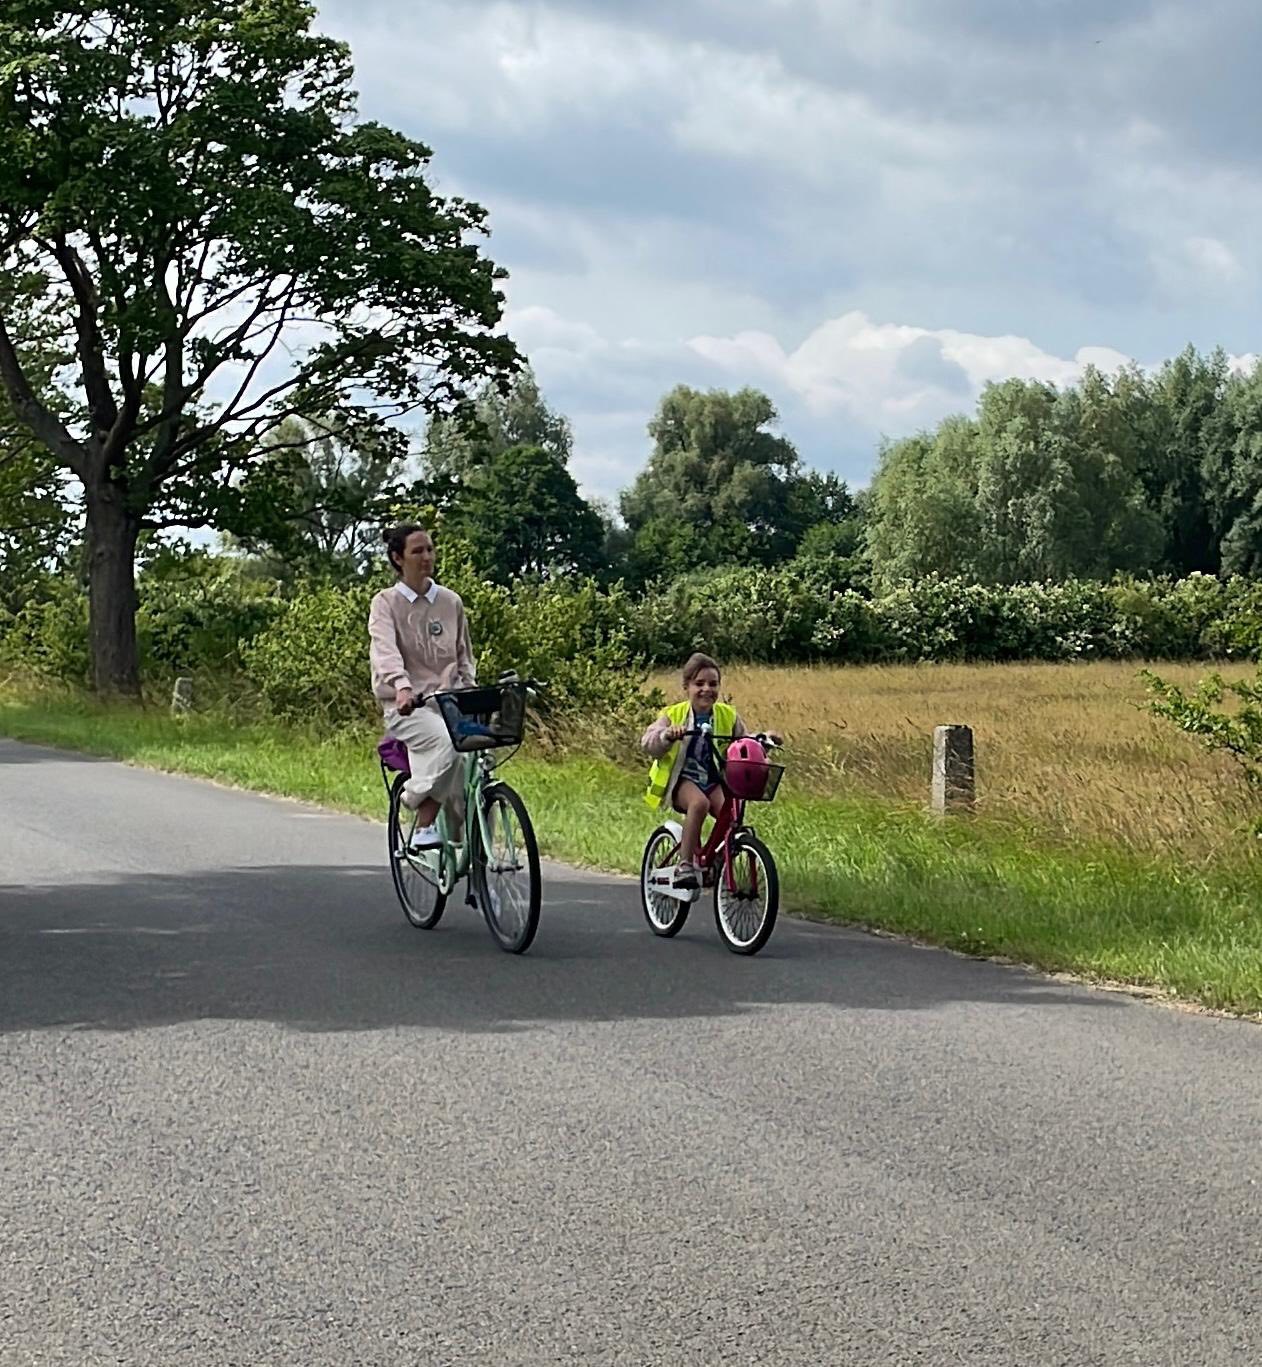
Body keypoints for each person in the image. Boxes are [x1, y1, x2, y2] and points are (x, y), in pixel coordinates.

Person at [369, 524, 476, 849]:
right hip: (408, 707)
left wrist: (471, 690)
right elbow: (385, 651)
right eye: (417, 551)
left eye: (429, 549)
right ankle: (421, 817)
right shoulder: (386, 603)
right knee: (448, 741)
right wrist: (402, 686)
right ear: (398, 558)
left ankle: (469, 850)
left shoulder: (450, 601)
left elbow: (463, 655)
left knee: (476, 767)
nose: (427, 556)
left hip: (450, 701)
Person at [641, 652, 781, 888]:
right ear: (686, 687)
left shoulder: (727, 715)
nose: (706, 689)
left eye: (713, 684)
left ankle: (716, 861)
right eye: (699, 684)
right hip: (682, 781)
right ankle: (685, 865)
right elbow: (648, 742)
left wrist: (764, 739)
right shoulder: (673, 714)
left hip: (713, 780)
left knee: (732, 814)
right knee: (699, 804)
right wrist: (667, 735)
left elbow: (743, 741)